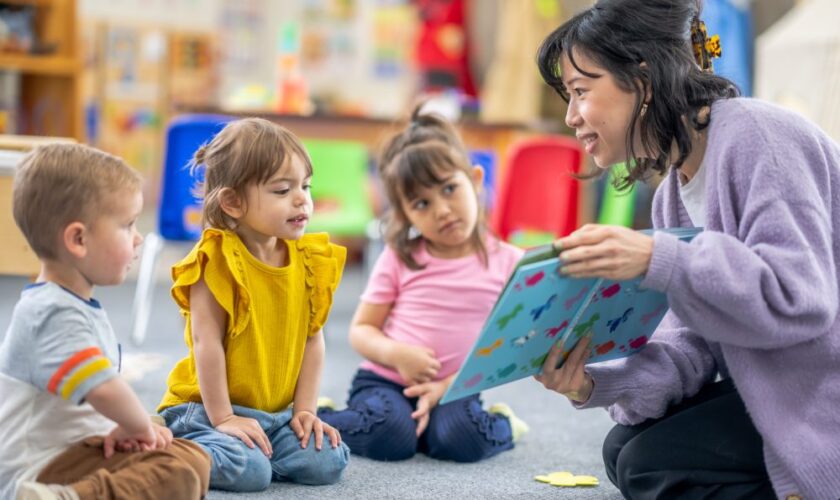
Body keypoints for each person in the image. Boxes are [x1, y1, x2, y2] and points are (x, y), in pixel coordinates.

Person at [533, 1, 840, 499]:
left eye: (580, 92)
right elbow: (691, 349)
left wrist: (658, 258)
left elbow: (800, 297)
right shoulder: (673, 194)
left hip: (823, 390)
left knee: (646, 465)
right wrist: (590, 384)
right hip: (772, 384)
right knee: (623, 450)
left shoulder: (760, 138)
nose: (571, 116)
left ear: (644, 82)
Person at [318, 106, 528, 462]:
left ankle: (502, 422)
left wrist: (451, 385)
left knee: (461, 441)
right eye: (422, 203)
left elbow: (509, 345)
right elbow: (362, 329)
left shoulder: (509, 262)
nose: (442, 210)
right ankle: (325, 416)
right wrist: (396, 355)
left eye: (450, 189)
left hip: (456, 386)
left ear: (476, 181)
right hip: (386, 381)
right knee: (391, 437)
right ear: (405, 215)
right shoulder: (401, 257)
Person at [0, 144, 210, 500]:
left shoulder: (70, 303)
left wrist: (123, 427)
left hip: (75, 445)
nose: (138, 237)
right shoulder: (51, 312)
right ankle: (63, 498)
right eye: (127, 225)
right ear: (78, 239)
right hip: (40, 464)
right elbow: (102, 388)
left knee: (194, 459)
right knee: (174, 474)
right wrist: (137, 425)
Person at [156, 118, 350, 492]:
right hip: (206, 410)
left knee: (327, 459)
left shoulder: (308, 260)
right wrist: (225, 418)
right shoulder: (217, 260)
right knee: (250, 472)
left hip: (274, 415)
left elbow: (313, 339)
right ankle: (172, 446)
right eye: (282, 190)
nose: (302, 199)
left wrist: (305, 412)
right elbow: (205, 344)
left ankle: (251, 450)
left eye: (305, 186)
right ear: (232, 202)